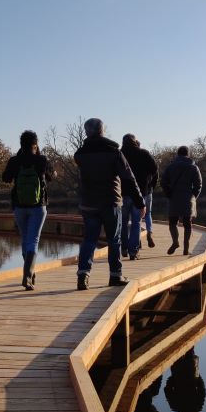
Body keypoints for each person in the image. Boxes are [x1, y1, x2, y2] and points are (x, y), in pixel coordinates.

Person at [74, 118, 145, 290]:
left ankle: (83, 276)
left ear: (86, 132)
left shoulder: (80, 154)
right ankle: (115, 276)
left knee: (89, 239)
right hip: (111, 202)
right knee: (114, 240)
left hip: (88, 203)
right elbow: (129, 178)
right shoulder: (114, 152)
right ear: (102, 131)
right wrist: (140, 202)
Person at [2, 130, 55, 290]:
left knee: (25, 238)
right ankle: (28, 274)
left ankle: (29, 272)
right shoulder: (42, 160)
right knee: (33, 240)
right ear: (35, 144)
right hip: (38, 206)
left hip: (19, 206)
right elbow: (52, 176)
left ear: (21, 144)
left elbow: (5, 178)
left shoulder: (15, 161)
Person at [120, 134, 159, 260]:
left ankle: (124, 248)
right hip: (140, 193)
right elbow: (155, 169)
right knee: (136, 223)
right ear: (135, 141)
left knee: (123, 223)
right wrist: (149, 184)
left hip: (123, 194)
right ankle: (133, 252)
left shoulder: (119, 154)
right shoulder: (144, 154)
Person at [160, 146, 202, 256]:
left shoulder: (170, 167)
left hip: (174, 198)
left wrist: (168, 193)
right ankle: (186, 248)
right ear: (188, 154)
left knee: (173, 222)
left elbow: (163, 182)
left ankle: (175, 242)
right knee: (187, 224)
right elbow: (199, 184)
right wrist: (193, 196)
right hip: (188, 198)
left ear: (178, 154)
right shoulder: (194, 168)